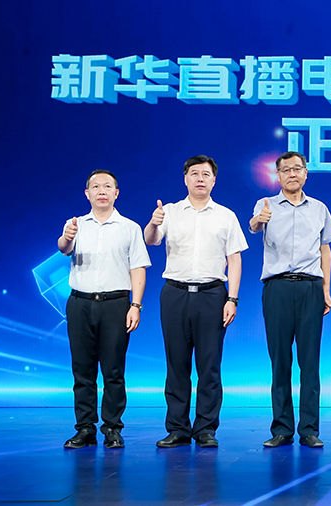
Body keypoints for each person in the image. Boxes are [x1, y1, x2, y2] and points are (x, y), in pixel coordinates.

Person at [144, 155, 248, 448]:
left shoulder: (225, 215)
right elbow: (151, 240)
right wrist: (153, 223)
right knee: (176, 364)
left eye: (205, 174)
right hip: (175, 293)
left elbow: (234, 259)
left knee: (209, 365)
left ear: (214, 180)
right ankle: (177, 428)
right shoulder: (170, 211)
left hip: (213, 295)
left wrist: (232, 298)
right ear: (185, 179)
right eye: (194, 173)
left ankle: (205, 429)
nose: (200, 178)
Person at [249, 152, 331, 449]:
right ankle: (282, 429)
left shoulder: (319, 208)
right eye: (285, 169)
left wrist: (326, 289)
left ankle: (309, 429)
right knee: (280, 361)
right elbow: (254, 226)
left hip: (310, 287)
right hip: (277, 287)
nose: (292, 174)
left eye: (297, 169)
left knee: (309, 361)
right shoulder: (266, 205)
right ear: (277, 175)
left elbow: (325, 250)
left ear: (305, 173)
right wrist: (258, 220)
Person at [58, 170, 150, 449]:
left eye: (107, 186)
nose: (101, 191)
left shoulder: (130, 228)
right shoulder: (75, 224)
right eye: (95, 186)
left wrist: (135, 305)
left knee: (113, 370)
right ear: (87, 193)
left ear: (116, 193)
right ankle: (85, 428)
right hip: (80, 304)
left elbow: (138, 268)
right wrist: (66, 237)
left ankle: (112, 427)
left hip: (116, 304)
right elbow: (63, 248)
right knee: (82, 370)